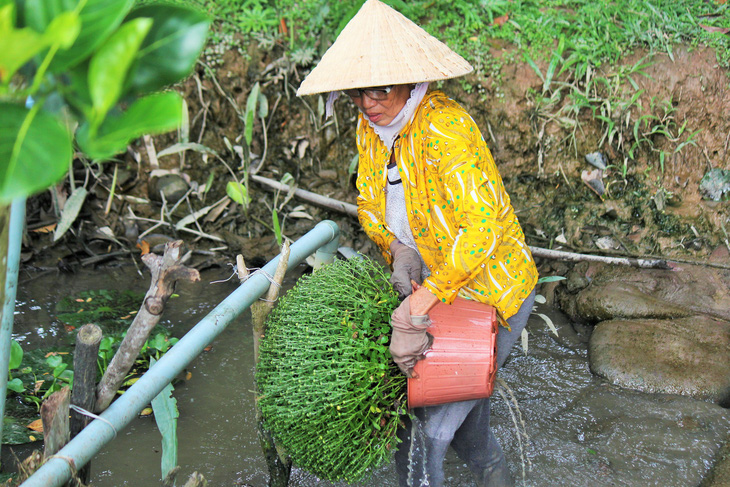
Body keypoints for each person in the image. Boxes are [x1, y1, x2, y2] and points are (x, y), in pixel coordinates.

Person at [297, 1, 538, 486]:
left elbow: (481, 231)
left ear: (411, 81)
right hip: (431, 286)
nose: (369, 103)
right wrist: (397, 250)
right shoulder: (371, 129)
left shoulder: (445, 128)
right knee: (464, 440)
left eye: (381, 90)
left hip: (492, 294)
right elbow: (369, 200)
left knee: (430, 433)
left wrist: (417, 309)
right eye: (358, 93)